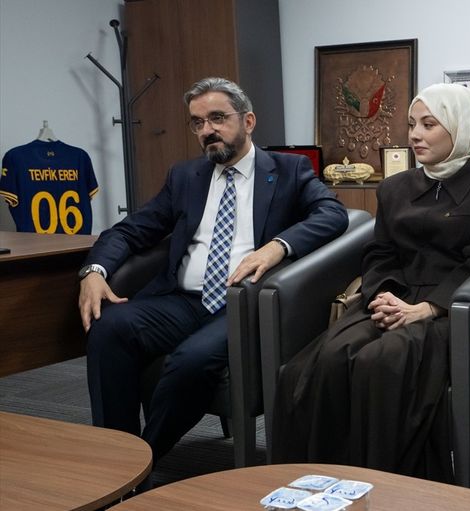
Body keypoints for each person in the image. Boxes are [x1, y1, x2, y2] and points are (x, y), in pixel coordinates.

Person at [79, 77, 348, 466]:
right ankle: (114, 455)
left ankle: (140, 460)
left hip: (241, 303)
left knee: (190, 361)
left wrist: (276, 246)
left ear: (248, 121)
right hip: (181, 300)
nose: (207, 130)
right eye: (198, 122)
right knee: (108, 327)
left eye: (218, 118)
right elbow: (130, 230)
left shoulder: (288, 170)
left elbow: (333, 214)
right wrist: (94, 270)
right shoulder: (185, 176)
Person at [273, 83, 470, 482]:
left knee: (379, 362)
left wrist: (428, 308)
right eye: (411, 124)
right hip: (390, 297)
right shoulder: (394, 187)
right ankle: (320, 479)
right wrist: (385, 296)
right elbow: (380, 252)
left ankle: (379, 483)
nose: (415, 135)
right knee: (324, 361)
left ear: (460, 129)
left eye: (428, 124)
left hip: (449, 310)